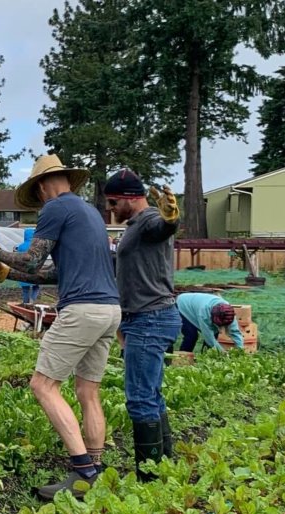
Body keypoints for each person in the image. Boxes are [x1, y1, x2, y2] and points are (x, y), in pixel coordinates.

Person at [0, 154, 120, 499]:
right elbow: (54, 272)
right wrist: (9, 274)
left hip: (82, 310)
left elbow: (32, 258)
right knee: (88, 391)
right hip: (110, 309)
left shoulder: (55, 208)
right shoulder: (90, 214)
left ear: (41, 186)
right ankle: (96, 469)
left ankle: (82, 471)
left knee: (43, 385)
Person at [105, 169, 181, 480]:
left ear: (129, 198)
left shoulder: (149, 219)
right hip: (149, 318)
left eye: (113, 202)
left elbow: (163, 227)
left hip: (149, 319)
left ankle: (148, 479)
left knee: (139, 398)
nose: (110, 209)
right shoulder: (134, 226)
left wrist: (171, 217)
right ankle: (163, 466)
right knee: (151, 393)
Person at [174, 293, 243, 352]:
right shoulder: (204, 314)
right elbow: (209, 338)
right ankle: (182, 359)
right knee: (191, 335)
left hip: (197, 305)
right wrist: (222, 352)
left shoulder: (229, 313)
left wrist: (240, 350)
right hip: (183, 305)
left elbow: (235, 332)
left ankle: (206, 359)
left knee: (215, 333)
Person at [16, 228, 39, 307]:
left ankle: (26, 303)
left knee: (25, 288)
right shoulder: (36, 246)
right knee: (36, 286)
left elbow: (18, 258)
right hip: (34, 269)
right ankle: (32, 300)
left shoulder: (21, 247)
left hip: (23, 270)